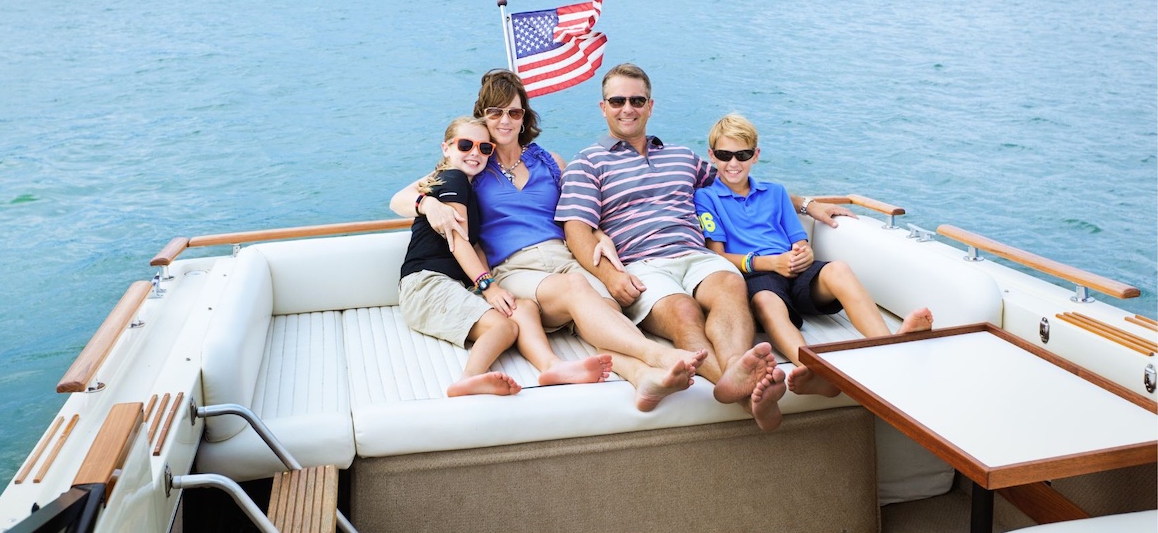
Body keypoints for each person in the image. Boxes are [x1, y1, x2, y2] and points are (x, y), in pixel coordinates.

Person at [555, 63, 851, 431]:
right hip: (641, 263)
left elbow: (738, 182)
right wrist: (610, 276)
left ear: (650, 106)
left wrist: (807, 204)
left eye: (637, 100)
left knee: (730, 285)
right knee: (684, 312)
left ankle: (736, 376)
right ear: (603, 107)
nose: (627, 108)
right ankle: (748, 393)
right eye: (617, 100)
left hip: (696, 255)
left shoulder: (681, 157)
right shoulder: (587, 163)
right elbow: (577, 230)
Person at [392, 71, 706, 411]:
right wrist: (429, 204)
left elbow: (582, 212)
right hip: (514, 267)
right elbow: (401, 199)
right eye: (495, 112)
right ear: (483, 116)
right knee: (576, 289)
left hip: (563, 258)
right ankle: (656, 354)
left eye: (514, 112)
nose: (505, 120)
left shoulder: (550, 162)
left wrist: (600, 236)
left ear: (524, 116)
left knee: (607, 308)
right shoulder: (473, 161)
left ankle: (641, 377)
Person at [693, 113, 933, 397]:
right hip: (755, 275)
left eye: (742, 154)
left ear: (755, 155)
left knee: (838, 269)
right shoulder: (705, 198)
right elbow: (717, 254)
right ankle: (817, 369)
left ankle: (888, 345)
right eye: (724, 155)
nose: (733, 163)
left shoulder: (776, 192)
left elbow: (798, 238)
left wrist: (802, 253)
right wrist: (771, 263)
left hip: (792, 269)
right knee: (767, 301)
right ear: (712, 155)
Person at [399, 115, 612, 398]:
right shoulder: (453, 179)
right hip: (426, 284)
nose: (475, 153)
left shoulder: (468, 187)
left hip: (456, 285)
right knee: (503, 326)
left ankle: (552, 365)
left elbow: (475, 245)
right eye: (465, 145)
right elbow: (459, 242)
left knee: (522, 308)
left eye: (484, 148)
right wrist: (489, 286)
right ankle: (468, 378)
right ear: (446, 148)